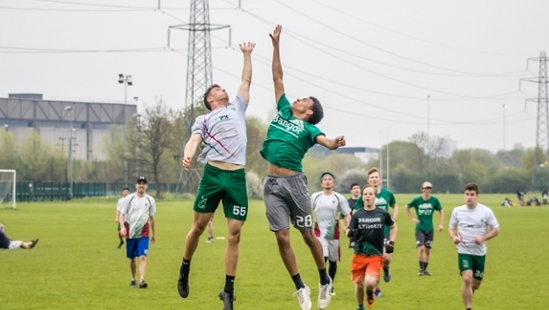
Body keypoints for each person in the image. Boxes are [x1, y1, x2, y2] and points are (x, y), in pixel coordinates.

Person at [261, 25, 346, 310]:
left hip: (295, 184)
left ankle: (324, 280)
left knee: (307, 235)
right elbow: (277, 76)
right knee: (282, 237)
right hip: (271, 184)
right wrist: (275, 45)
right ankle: (301, 287)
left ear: (308, 112)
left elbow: (326, 141)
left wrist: (334, 142)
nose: (297, 99)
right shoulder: (284, 109)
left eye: (303, 100)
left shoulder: (309, 129)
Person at [176, 41, 255, 310]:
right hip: (212, 175)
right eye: (219, 89)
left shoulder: (237, 108)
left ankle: (228, 292)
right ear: (211, 99)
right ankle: (185, 268)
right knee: (198, 227)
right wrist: (188, 153)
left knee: (234, 235)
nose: (225, 90)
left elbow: (246, 79)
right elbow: (193, 140)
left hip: (236, 178)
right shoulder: (205, 119)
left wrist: (246, 55)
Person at [449, 183, 500, 310]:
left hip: (479, 252)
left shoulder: (485, 211)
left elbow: (496, 229)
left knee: (475, 284)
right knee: (467, 279)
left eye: (472, 195)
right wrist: (454, 237)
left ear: (477, 196)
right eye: (467, 194)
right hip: (464, 250)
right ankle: (468, 307)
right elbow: (451, 228)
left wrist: (483, 238)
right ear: (463, 196)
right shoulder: (457, 211)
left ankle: (469, 293)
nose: (469, 197)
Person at [346, 184, 397, 309]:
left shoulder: (383, 213)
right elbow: (349, 231)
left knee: (369, 282)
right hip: (359, 254)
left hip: (375, 254)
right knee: (358, 284)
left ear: (375, 197)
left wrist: (391, 242)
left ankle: (370, 292)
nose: (368, 196)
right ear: (362, 198)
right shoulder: (357, 214)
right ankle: (360, 306)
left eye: (370, 194)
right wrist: (351, 232)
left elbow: (394, 227)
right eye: (365, 194)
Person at [311, 172, 352, 297]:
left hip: (333, 234)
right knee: (323, 257)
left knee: (333, 261)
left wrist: (350, 227)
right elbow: (307, 210)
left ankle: (331, 284)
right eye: (325, 180)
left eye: (330, 179)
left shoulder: (339, 198)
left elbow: (347, 214)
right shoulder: (315, 196)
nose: (327, 181)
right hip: (319, 233)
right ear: (321, 183)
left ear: (333, 183)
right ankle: (323, 283)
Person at [118, 176, 156, 289]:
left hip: (144, 232)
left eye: (144, 183)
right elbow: (122, 214)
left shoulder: (150, 200)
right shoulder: (129, 199)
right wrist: (122, 227)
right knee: (132, 258)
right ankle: (134, 278)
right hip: (130, 231)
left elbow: (152, 218)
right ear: (136, 185)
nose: (141, 185)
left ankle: (142, 280)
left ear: (146, 186)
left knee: (143, 256)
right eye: (140, 183)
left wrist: (154, 233)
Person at [404, 181, 444, 276]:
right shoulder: (417, 200)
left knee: (427, 250)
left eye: (429, 188)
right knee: (421, 248)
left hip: (429, 228)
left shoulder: (434, 200)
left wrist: (441, 224)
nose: (427, 190)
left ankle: (424, 270)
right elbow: (406, 207)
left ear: (431, 190)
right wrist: (412, 218)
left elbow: (441, 211)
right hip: (420, 228)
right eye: (425, 188)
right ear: (422, 189)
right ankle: (421, 269)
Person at [345, 182, 361, 248]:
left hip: (363, 225)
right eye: (354, 188)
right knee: (355, 247)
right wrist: (344, 227)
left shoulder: (364, 200)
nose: (356, 190)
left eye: (358, 188)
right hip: (353, 228)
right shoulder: (347, 202)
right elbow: (343, 215)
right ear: (351, 191)